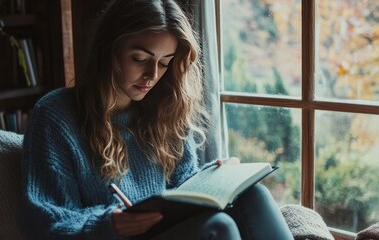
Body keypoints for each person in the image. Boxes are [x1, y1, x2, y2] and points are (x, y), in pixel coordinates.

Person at [20, 0, 293, 239]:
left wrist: (214, 179)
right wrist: (110, 224)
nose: (152, 75)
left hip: (170, 231)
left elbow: (182, 189)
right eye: (140, 58)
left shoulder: (165, 106)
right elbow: (44, 225)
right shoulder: (56, 116)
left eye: (164, 63)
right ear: (109, 50)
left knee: (254, 196)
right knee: (218, 227)